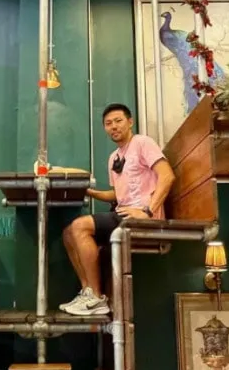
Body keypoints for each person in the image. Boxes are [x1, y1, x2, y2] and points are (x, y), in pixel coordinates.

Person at [60, 103, 175, 316]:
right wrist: (87, 191)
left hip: (143, 217)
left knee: (79, 226)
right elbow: (116, 195)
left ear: (130, 122)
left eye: (118, 121)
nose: (113, 126)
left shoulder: (142, 142)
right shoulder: (114, 157)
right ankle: (88, 292)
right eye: (108, 123)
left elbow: (167, 176)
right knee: (68, 233)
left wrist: (148, 211)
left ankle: (97, 297)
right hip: (123, 214)